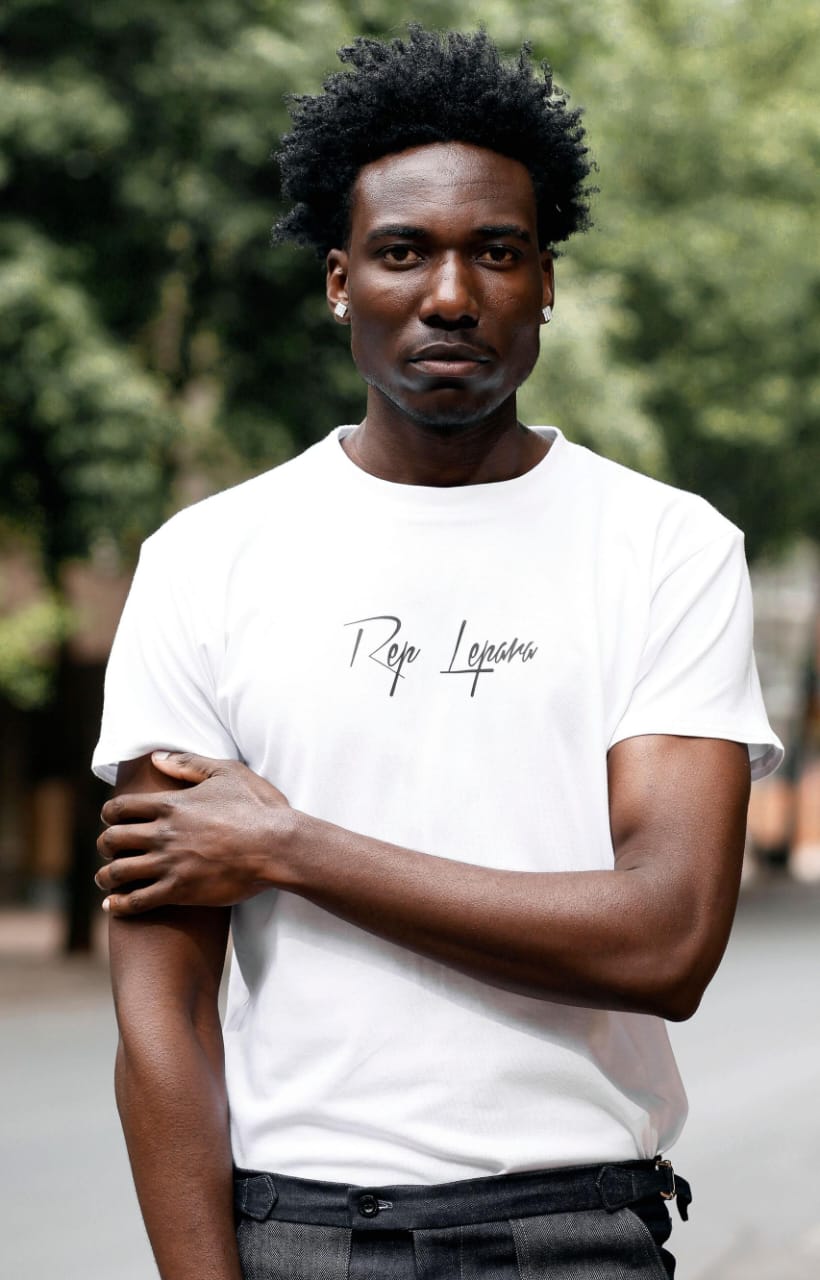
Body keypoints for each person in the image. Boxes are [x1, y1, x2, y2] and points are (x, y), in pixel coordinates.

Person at [92, 26, 782, 1280]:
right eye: (404, 250)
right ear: (340, 279)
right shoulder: (205, 560)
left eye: (497, 252)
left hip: (575, 1233)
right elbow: (161, 1014)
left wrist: (290, 846)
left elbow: (665, 938)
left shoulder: (665, 547)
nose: (452, 295)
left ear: (546, 282)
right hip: (299, 1230)